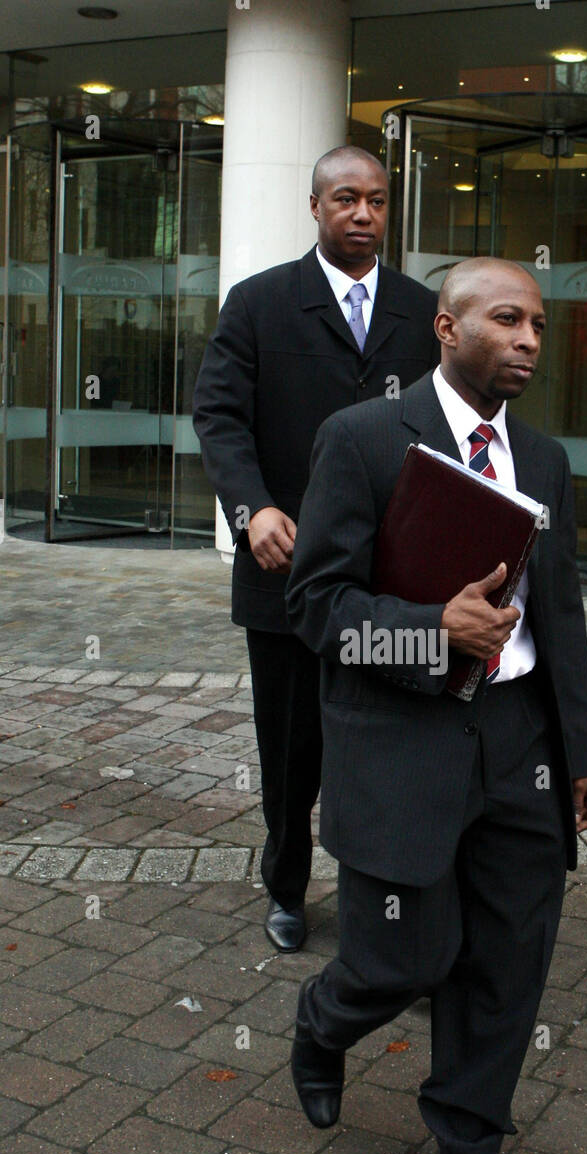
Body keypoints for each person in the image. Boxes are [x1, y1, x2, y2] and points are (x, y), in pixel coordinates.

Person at [285, 257, 587, 1154]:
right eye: (505, 319)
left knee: (506, 965)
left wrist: (581, 750)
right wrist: (430, 630)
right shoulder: (362, 440)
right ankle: (321, 1021)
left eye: (538, 326)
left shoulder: (544, 462)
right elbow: (315, 610)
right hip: (400, 742)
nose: (525, 340)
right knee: (401, 959)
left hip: (520, 749)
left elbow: (557, 617)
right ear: (445, 326)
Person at [192, 146, 439, 953]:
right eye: (345, 199)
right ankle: (287, 889)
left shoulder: (423, 309)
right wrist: (250, 508)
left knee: (385, 751)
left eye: (375, 201)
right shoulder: (260, 303)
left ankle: (384, 903)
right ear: (315, 207)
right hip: (286, 571)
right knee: (292, 750)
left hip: (392, 582)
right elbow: (220, 416)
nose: (362, 214)